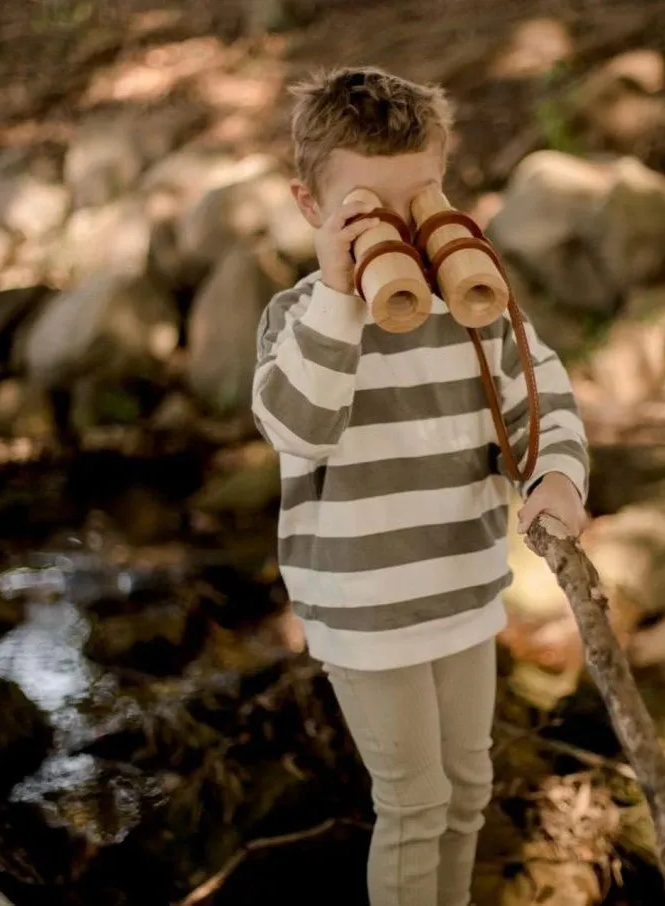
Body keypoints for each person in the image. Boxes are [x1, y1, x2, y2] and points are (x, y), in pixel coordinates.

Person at [251, 66, 590, 906]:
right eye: (369, 207)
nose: (406, 229)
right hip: (363, 606)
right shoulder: (297, 319)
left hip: (462, 588)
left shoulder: (472, 303)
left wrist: (555, 474)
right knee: (413, 802)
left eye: (425, 197)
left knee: (468, 788)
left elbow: (539, 395)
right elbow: (296, 427)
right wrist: (341, 290)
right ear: (310, 207)